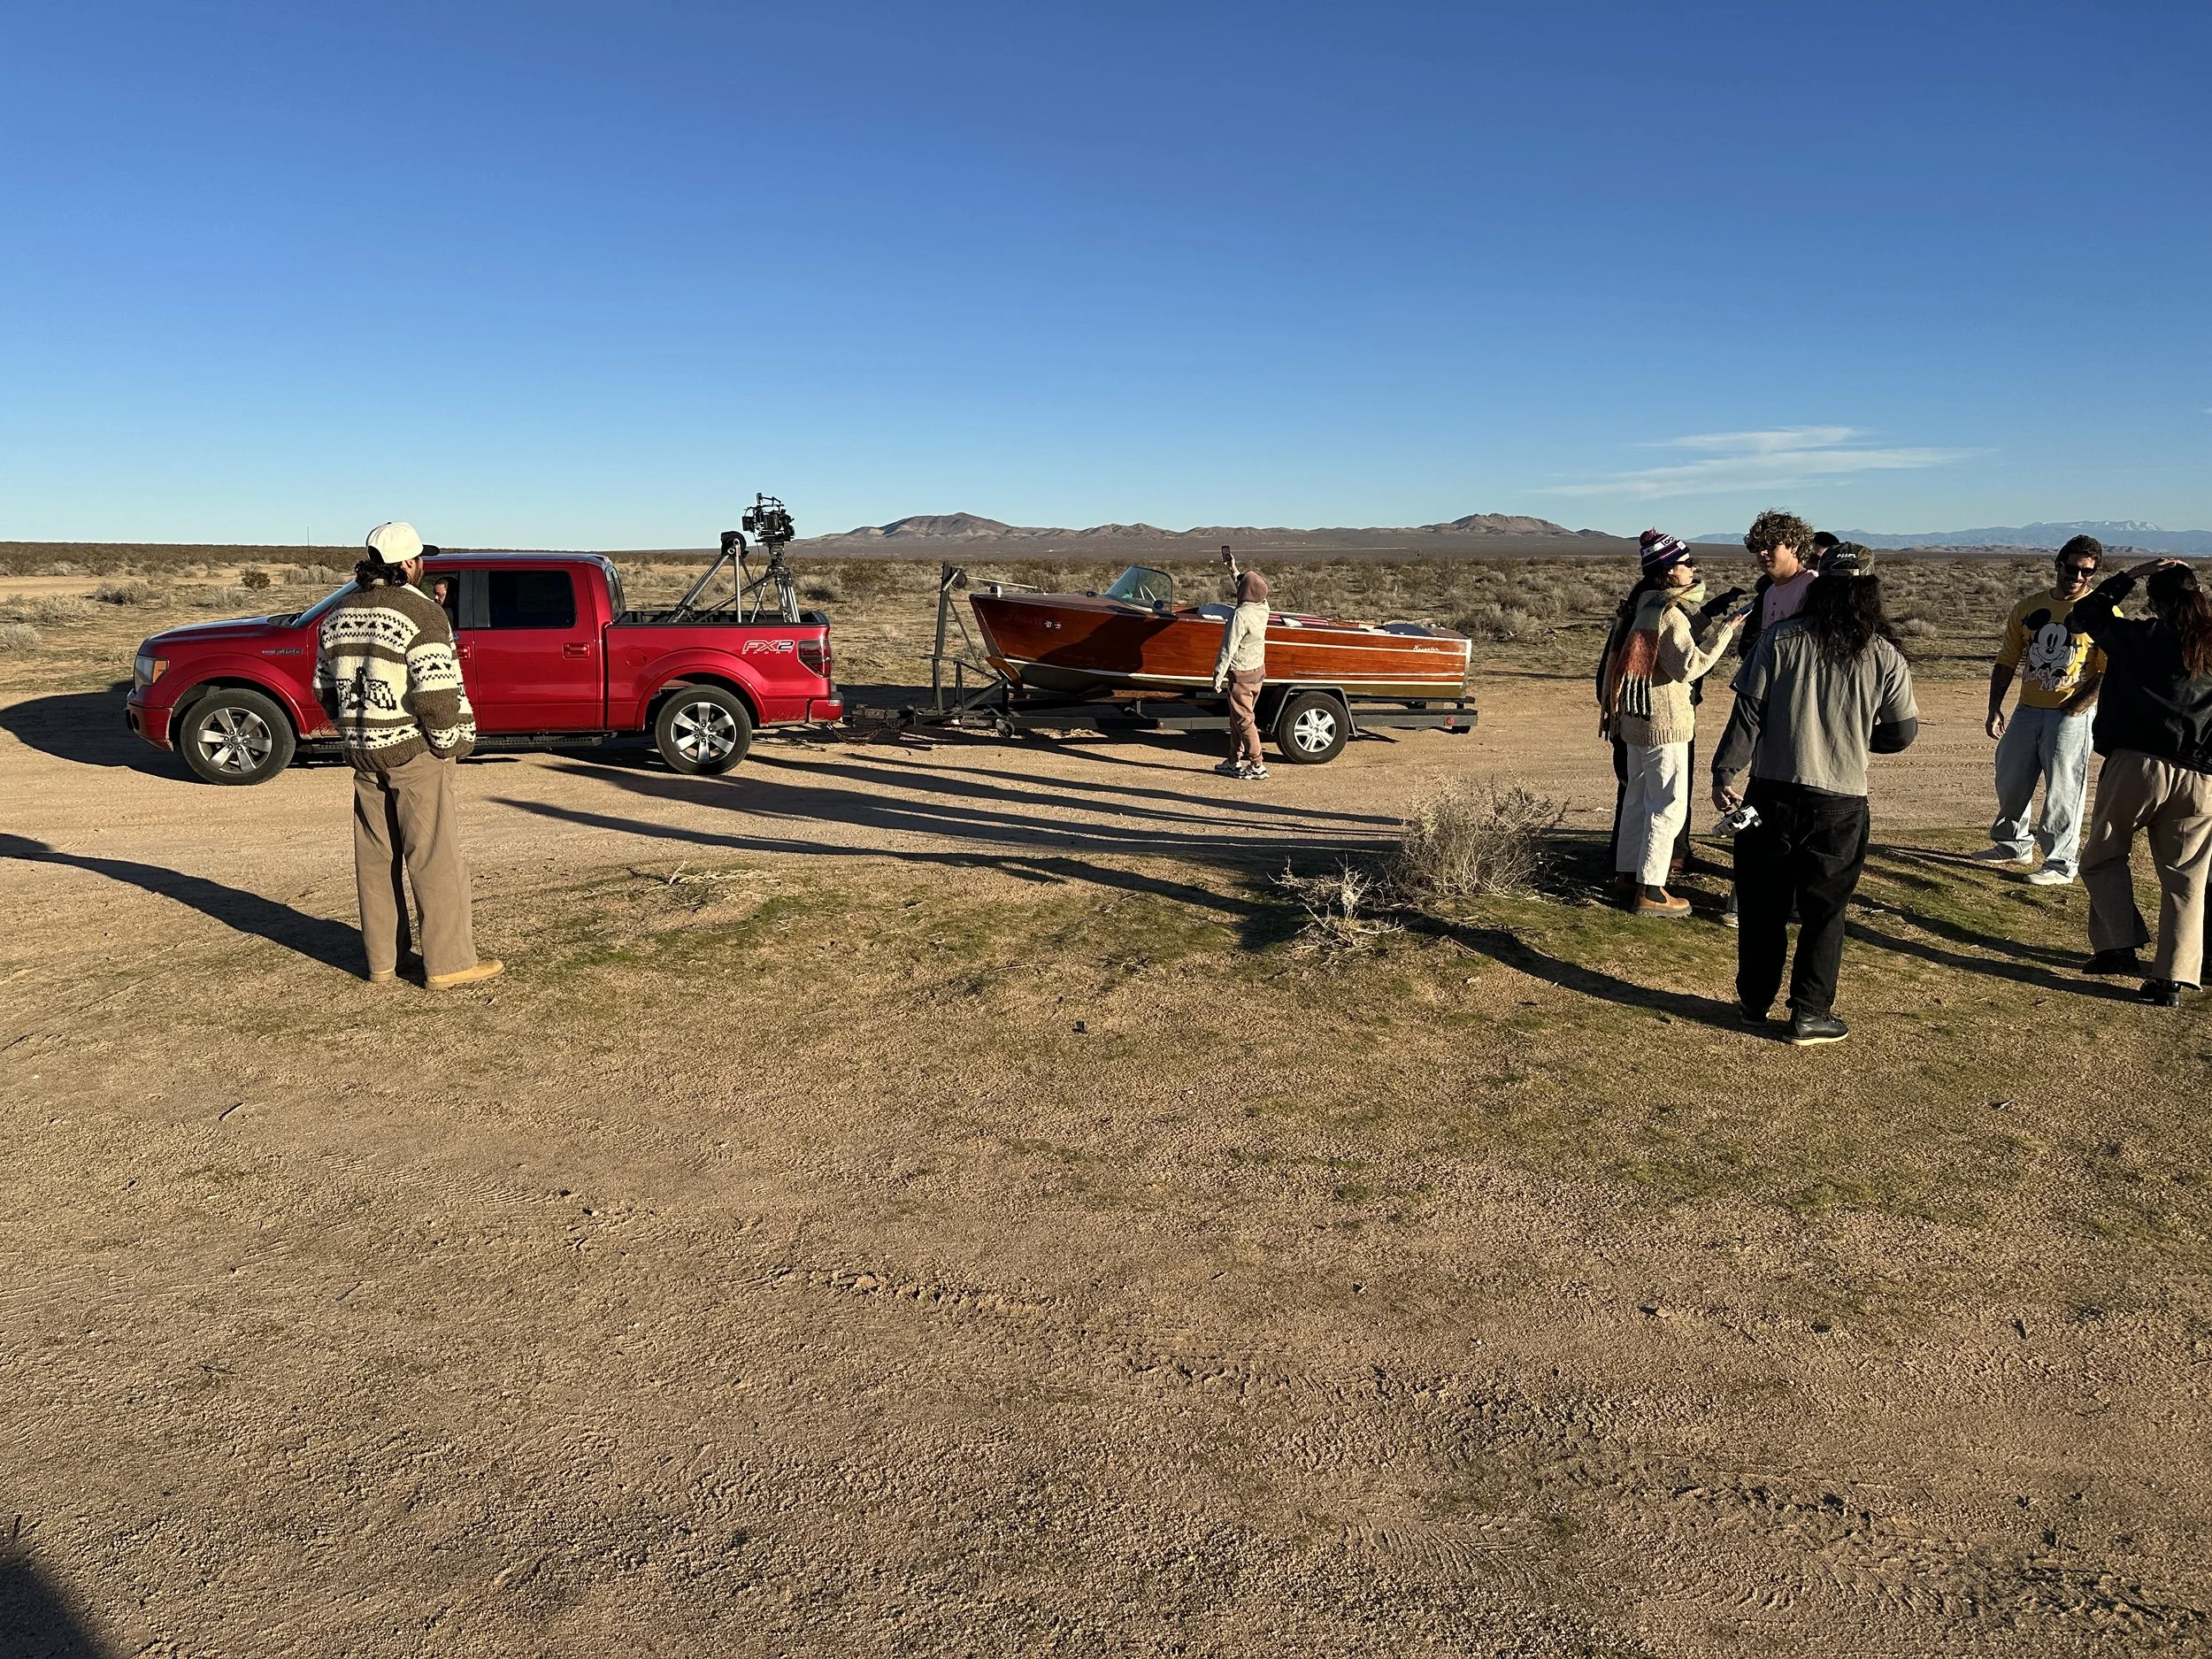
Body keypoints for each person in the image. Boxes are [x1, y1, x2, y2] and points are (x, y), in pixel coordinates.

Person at [1711, 545, 1919, 1045]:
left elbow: (1749, 716)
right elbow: (1902, 733)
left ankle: (1753, 1002)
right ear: (1869, 592)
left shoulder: (1778, 641)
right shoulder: (1884, 654)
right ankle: (1809, 1012)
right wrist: (1850, 735)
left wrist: (1724, 773)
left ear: (1819, 585)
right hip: (1841, 801)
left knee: (1763, 906)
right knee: (1825, 912)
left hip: (1770, 794)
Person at [313, 521, 501, 989]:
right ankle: (450, 963)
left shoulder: (338, 613)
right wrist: (451, 743)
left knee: (376, 859)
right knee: (434, 856)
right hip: (414, 751)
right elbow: (436, 695)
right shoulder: (422, 613)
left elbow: (324, 687)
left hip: (362, 753)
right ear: (410, 564)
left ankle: (382, 962)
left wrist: (352, 730)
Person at [2070, 557, 2212, 1006]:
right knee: (2186, 877)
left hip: (2138, 765)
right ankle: (2173, 977)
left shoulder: (2143, 637)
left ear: (2154, 601)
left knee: (2102, 856)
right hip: (2202, 777)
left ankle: (2117, 946)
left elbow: (2084, 615)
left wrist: (2128, 576)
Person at [1601, 533, 1747, 915]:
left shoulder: (1638, 607)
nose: (1693, 569)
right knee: (1667, 803)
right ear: (1668, 571)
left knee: (1637, 797)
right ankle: (1652, 890)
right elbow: (1689, 666)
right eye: (1686, 563)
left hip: (1634, 719)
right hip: (1663, 723)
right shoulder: (1667, 613)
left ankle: (1627, 874)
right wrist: (1725, 631)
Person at [1971, 535, 2107, 887]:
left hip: (2070, 715)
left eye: (2087, 572)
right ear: (2057, 565)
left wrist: (2078, 706)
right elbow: (2007, 659)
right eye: (2072, 568)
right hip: (2027, 708)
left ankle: (2061, 862)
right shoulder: (2028, 607)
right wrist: (1995, 707)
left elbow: (2111, 667)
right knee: (2011, 775)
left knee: (2064, 787)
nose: (2078, 577)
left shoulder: (2102, 612)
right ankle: (2014, 842)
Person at [1716, 511, 1821, 930]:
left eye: (1770, 546)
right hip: (1765, 706)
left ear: (1794, 546)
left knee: (1795, 803)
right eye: (1756, 547)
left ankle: (1788, 898)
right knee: (1760, 800)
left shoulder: (1813, 588)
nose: (1761, 554)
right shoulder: (1770, 592)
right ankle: (1745, 899)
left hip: (1798, 709)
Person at [1211, 567, 1271, 780]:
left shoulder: (1240, 615)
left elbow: (1228, 648)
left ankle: (1257, 764)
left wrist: (1218, 675)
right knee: (1238, 718)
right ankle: (1233, 761)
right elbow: (1248, 589)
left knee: (1244, 720)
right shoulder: (1263, 608)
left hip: (1241, 673)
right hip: (1258, 672)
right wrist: (1233, 570)